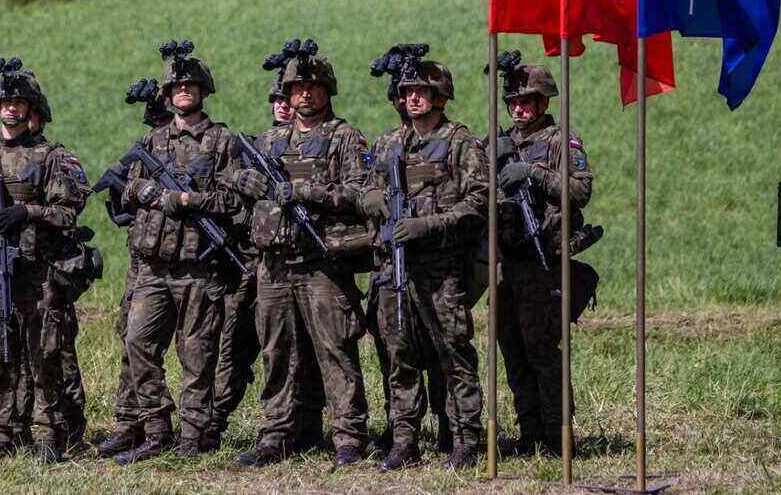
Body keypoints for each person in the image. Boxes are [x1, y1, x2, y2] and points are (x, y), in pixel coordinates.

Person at [230, 42, 372, 469]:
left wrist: (310, 192)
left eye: (312, 87)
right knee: (277, 352)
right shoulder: (270, 139)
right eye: (296, 88)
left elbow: (363, 192)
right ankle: (278, 432)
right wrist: (243, 181)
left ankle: (348, 435)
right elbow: (232, 173)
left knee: (334, 350)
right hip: (273, 265)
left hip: (321, 264)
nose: (305, 95)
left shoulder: (344, 136)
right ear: (287, 95)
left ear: (327, 90)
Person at [113, 40, 244, 464]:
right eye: (177, 87)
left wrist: (190, 201)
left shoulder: (223, 140)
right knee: (137, 344)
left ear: (203, 90)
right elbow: (127, 188)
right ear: (167, 96)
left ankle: (193, 434)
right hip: (153, 267)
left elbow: (234, 201)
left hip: (198, 268)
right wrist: (150, 190)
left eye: (191, 85)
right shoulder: (151, 140)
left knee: (198, 356)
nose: (183, 91)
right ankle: (155, 427)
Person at [0, 59, 90, 464]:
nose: (10, 109)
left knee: (43, 354)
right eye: (5, 103)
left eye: (19, 103)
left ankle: (48, 430)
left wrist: (28, 213)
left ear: (32, 110)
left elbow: (68, 211)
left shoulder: (48, 156)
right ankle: (1, 429)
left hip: (37, 274)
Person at [360, 59, 488, 471]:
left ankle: (466, 440)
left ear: (439, 96)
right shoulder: (387, 143)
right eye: (407, 92)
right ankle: (404, 440)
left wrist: (428, 225)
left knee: (454, 355)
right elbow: (364, 191)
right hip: (395, 270)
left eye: (421, 91)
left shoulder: (459, 142)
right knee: (400, 357)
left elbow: (479, 202)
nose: (412, 98)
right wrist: (374, 200)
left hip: (440, 269)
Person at [493, 61, 593, 457]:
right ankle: (529, 432)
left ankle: (557, 436)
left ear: (542, 101)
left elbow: (580, 192)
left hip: (544, 260)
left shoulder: (561, 141)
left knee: (543, 352)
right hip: (506, 262)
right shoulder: (499, 143)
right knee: (512, 350)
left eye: (527, 102)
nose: (519, 110)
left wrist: (532, 172)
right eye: (513, 102)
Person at [97, 80, 175, 458]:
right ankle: (130, 423)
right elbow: (118, 199)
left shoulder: (185, 147)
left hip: (177, 259)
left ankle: (157, 426)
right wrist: (128, 192)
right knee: (130, 339)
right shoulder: (147, 150)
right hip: (142, 258)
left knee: (145, 342)